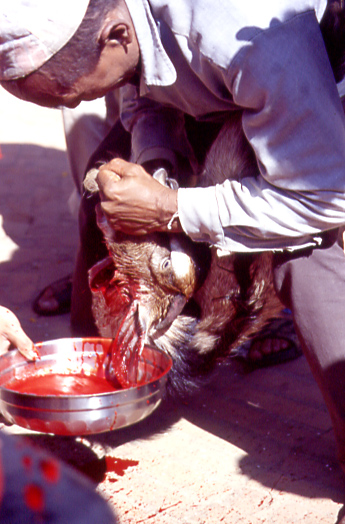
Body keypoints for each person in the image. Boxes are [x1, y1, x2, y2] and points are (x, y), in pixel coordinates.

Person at [2, 0, 345, 502]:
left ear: (116, 35)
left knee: (304, 256)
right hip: (226, 92)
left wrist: (170, 208)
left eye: (67, 94)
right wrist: (154, 167)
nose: (73, 108)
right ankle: (104, 385)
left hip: (318, 116)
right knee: (105, 190)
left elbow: (325, 196)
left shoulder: (248, 40)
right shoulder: (124, 32)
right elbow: (144, 95)